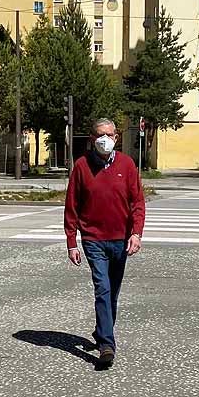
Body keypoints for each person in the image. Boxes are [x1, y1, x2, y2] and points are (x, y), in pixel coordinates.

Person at [64, 118, 146, 370]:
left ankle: (101, 331)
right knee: (102, 289)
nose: (105, 139)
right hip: (93, 240)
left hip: (120, 240)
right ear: (92, 138)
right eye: (101, 134)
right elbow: (72, 206)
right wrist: (71, 242)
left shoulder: (127, 164)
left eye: (110, 134)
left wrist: (136, 234)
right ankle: (107, 345)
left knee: (113, 294)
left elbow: (137, 203)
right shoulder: (81, 166)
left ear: (116, 138)